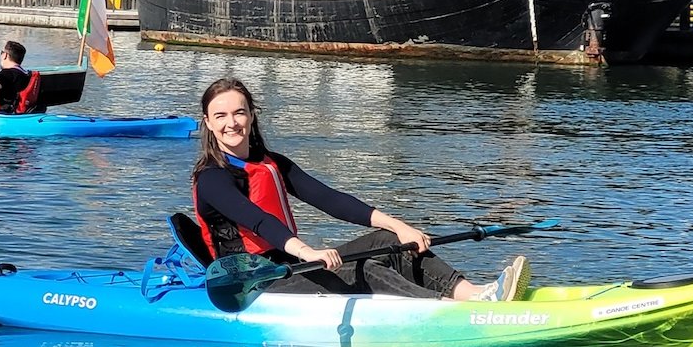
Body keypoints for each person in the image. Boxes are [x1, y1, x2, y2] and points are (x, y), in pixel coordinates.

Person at [190, 78, 531, 301]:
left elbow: (330, 200)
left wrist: (398, 225)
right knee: (364, 269)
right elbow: (258, 220)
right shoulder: (212, 178)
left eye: (239, 112)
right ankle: (445, 308)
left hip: (287, 262)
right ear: (208, 122)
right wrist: (307, 252)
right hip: (250, 281)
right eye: (220, 116)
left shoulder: (270, 162)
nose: (231, 123)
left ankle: (473, 294)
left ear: (252, 115)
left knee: (391, 242)